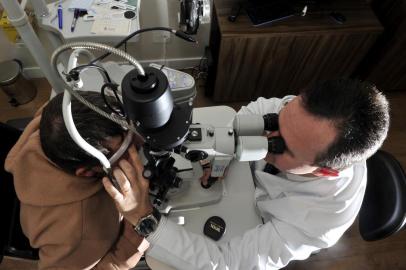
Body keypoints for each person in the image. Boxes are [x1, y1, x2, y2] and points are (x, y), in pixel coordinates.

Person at [102, 78, 390, 270]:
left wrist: (145, 219)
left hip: (262, 223)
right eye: (275, 122)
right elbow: (255, 111)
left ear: (325, 171)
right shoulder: (305, 116)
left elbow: (226, 262)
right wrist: (222, 157)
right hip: (243, 188)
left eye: (281, 146)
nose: (266, 137)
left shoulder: (319, 222)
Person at [5, 92, 148, 269]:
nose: (141, 140)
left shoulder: (60, 115)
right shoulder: (79, 233)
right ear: (87, 173)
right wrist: (140, 225)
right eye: (125, 150)